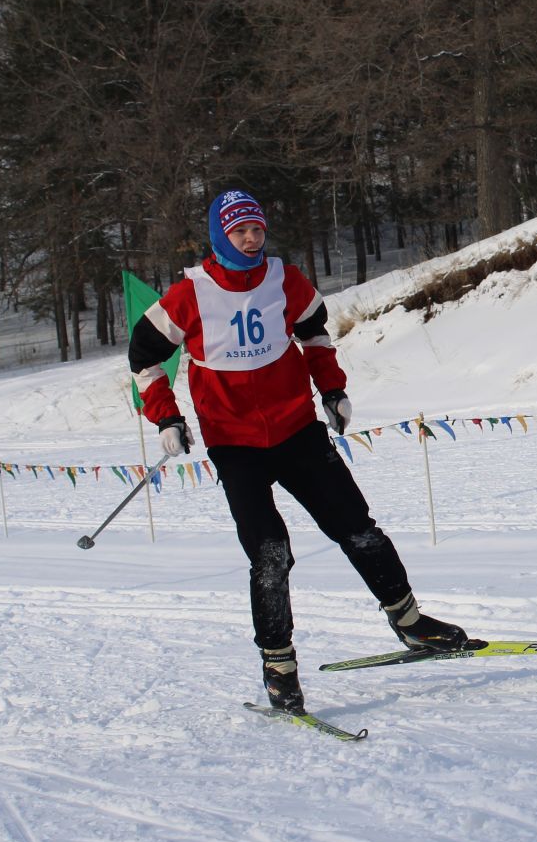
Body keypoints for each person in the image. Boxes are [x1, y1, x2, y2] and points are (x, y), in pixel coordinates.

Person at [127, 184, 476, 714]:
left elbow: (314, 333)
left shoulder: (283, 279)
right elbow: (143, 356)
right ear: (221, 236)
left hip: (296, 428)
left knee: (357, 527)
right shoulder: (189, 294)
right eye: (240, 231)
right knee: (270, 551)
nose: (250, 239)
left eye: (257, 230)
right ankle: (278, 666)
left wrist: (333, 389)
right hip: (234, 442)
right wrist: (165, 416)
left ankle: (411, 624)